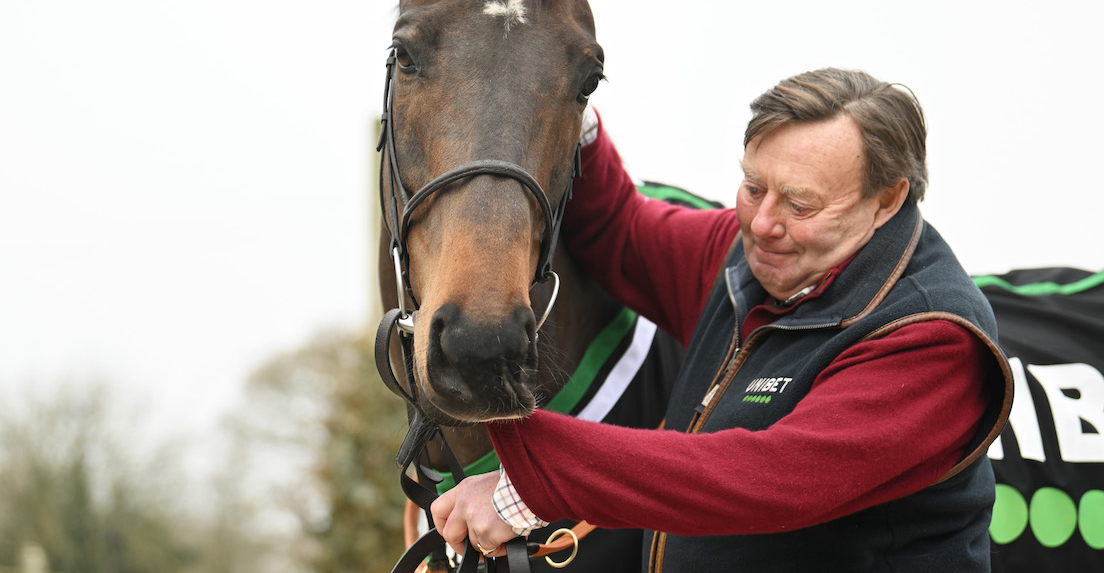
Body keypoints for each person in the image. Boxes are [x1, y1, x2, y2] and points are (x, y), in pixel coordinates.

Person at [431, 68, 1014, 571]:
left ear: (887, 199)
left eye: (800, 204)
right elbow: (622, 232)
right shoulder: (749, 258)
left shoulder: (931, 338)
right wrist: (563, 101)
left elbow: (769, 478)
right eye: (753, 186)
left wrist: (535, 477)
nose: (762, 223)